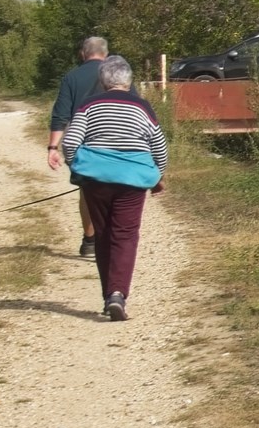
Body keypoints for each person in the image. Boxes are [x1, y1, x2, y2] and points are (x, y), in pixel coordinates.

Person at [60, 56, 168, 322]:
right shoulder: (142, 107)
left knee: (104, 234)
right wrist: (157, 176)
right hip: (132, 181)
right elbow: (159, 147)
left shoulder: (88, 105)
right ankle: (117, 294)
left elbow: (70, 142)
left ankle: (109, 294)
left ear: (103, 81)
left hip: (95, 180)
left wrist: (79, 168)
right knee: (126, 234)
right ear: (128, 81)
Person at [47, 35, 112, 258]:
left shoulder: (71, 77)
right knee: (115, 188)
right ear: (106, 55)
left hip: (83, 145)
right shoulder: (116, 76)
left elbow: (61, 114)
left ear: (82, 54)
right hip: (114, 141)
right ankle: (110, 237)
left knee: (87, 192)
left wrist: (53, 148)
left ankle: (90, 241)